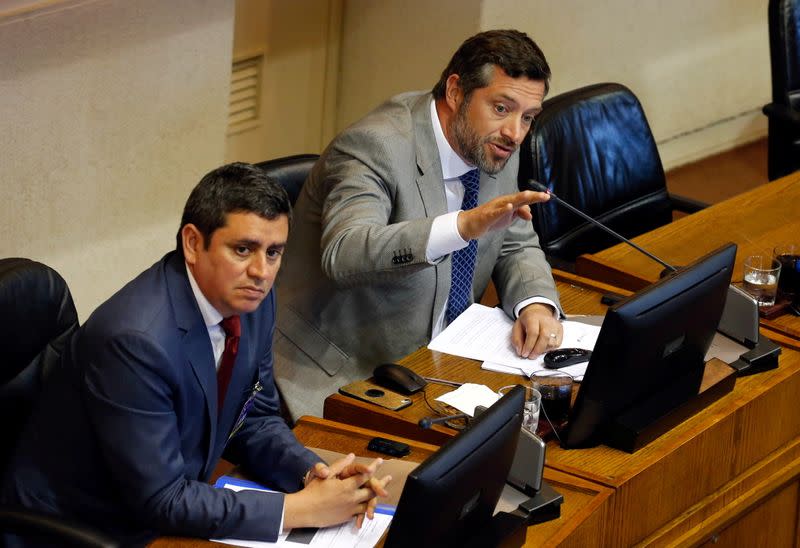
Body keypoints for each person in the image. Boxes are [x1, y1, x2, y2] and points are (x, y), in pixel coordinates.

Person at [1, 163, 390, 545]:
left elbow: (253, 418)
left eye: (274, 253)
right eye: (243, 249)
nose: (262, 271)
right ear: (192, 243)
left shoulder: (252, 299)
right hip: (85, 527)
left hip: (172, 502)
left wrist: (313, 475)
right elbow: (160, 499)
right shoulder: (133, 341)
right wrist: (299, 510)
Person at [274, 29, 563, 419]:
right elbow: (344, 253)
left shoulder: (495, 144)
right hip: (342, 372)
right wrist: (460, 227)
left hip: (441, 363)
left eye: (527, 117)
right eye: (501, 108)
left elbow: (513, 240)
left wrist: (536, 304)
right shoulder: (374, 146)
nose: (515, 132)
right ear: (456, 92)